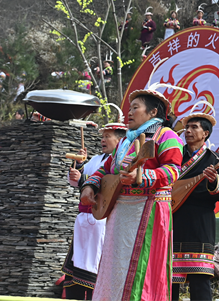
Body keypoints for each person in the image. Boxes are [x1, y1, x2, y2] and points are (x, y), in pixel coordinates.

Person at [81, 85, 184, 301]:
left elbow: (173, 170)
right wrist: (90, 186)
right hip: (119, 212)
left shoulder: (167, 136)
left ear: (153, 112)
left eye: (135, 107)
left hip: (149, 209)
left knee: (142, 269)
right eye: (129, 108)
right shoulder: (125, 142)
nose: (129, 112)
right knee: (114, 266)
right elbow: (106, 169)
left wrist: (144, 177)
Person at [172, 112, 219, 301]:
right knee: (169, 279)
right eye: (187, 127)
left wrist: (215, 182)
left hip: (200, 222)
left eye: (194, 127)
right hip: (173, 219)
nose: (188, 131)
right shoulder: (174, 156)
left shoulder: (215, 160)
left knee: (200, 278)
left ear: (205, 133)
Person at [62, 121, 126, 299]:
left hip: (101, 220)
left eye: (108, 136)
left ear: (120, 140)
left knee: (96, 267)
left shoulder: (120, 162)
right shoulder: (96, 159)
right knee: (76, 266)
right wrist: (78, 168)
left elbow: (109, 185)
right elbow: (78, 182)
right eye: (102, 137)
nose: (103, 140)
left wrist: (83, 178)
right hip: (84, 220)